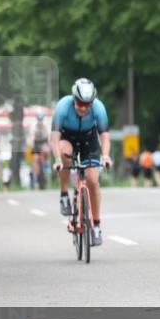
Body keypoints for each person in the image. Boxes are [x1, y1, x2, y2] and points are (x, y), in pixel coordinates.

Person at [51, 78, 112, 246]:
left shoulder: (99, 108)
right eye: (80, 103)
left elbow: (104, 136)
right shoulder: (63, 106)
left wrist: (106, 156)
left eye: (88, 104)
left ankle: (97, 225)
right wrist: (57, 160)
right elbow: (54, 137)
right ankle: (64, 195)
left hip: (88, 138)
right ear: (73, 98)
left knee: (93, 181)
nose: (84, 108)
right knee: (65, 155)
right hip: (67, 136)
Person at [31, 111, 51, 190]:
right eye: (39, 120)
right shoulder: (33, 126)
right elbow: (32, 138)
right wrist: (32, 146)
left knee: (46, 150)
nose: (40, 122)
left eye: (41, 120)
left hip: (44, 142)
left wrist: (49, 147)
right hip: (36, 143)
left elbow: (49, 138)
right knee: (35, 159)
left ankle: (47, 166)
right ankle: (36, 180)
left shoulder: (46, 126)